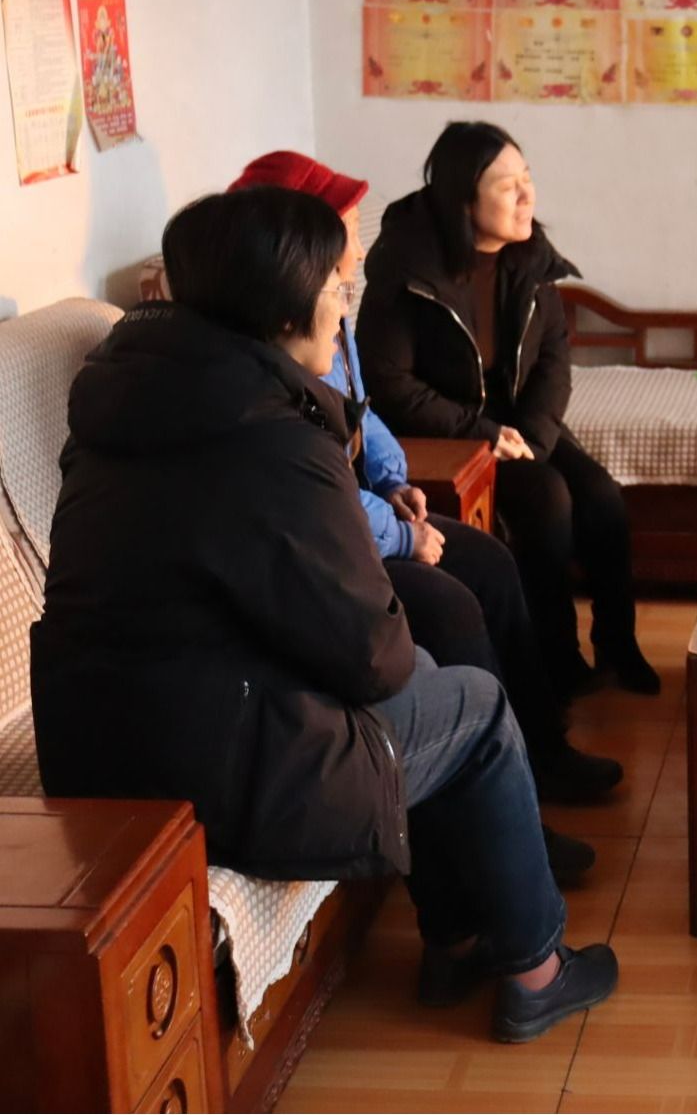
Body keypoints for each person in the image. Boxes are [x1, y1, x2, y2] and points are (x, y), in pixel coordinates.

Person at [30, 188, 620, 1043]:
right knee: (473, 704)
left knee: (431, 675)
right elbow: (370, 654)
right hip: (215, 763)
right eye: (336, 289)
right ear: (285, 312)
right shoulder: (272, 437)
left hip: (96, 740)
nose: (345, 308)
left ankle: (456, 938)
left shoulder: (130, 405)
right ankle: (538, 969)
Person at [227, 151, 622, 829]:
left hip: (362, 514)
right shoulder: (276, 348)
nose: (356, 244)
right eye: (344, 226)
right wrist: (405, 534)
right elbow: (314, 490)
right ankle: (495, 807)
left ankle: (540, 751)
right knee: (453, 604)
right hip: (329, 548)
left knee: (493, 562)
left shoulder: (330, 312)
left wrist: (395, 479)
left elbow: (365, 412)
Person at [357, 122, 659, 696]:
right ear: (463, 198)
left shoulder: (531, 257)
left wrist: (534, 442)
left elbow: (554, 359)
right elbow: (390, 383)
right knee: (547, 499)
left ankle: (618, 644)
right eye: (507, 186)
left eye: (528, 179)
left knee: (601, 495)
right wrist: (485, 432)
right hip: (447, 433)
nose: (527, 196)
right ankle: (555, 658)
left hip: (521, 427)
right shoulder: (407, 263)